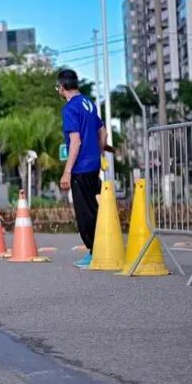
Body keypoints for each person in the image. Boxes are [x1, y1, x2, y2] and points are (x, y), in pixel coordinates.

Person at [57, 69, 107, 268]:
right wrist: (98, 153)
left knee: (85, 212)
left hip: (80, 168)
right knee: (95, 208)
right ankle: (103, 247)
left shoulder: (70, 108)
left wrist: (67, 171)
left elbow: (75, 141)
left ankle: (95, 252)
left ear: (62, 87)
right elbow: (103, 133)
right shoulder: (89, 103)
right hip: (94, 166)